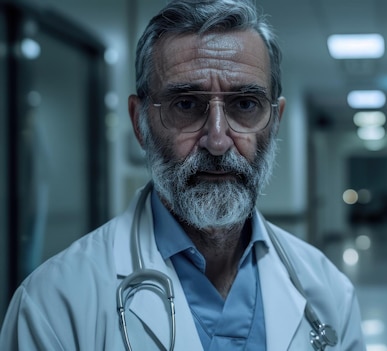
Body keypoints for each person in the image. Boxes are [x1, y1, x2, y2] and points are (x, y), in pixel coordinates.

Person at [0, 0, 365, 349]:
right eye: (186, 105)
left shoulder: (328, 291)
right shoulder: (52, 304)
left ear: (276, 121)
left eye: (245, 105)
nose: (218, 140)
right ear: (139, 123)